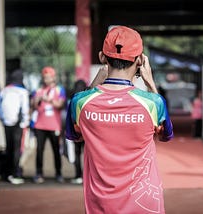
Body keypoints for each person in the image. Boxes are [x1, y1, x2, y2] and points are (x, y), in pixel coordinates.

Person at [66, 26, 174, 214]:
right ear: (140, 60)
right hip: (144, 205)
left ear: (102, 57)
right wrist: (151, 84)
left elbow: (75, 136)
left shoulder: (80, 101)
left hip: (100, 205)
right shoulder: (153, 102)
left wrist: (93, 86)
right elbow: (166, 135)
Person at [31, 66, 66, 184]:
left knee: (56, 150)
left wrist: (48, 99)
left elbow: (60, 105)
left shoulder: (59, 90)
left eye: (49, 77)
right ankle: (39, 173)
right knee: (39, 150)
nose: (46, 79)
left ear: (53, 78)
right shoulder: (38, 90)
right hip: (40, 125)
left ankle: (59, 173)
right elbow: (33, 106)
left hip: (54, 125)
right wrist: (37, 99)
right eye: (45, 77)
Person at [0, 69, 30, 184]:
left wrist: (3, 119)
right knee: (17, 149)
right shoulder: (23, 92)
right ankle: (15, 174)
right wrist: (25, 122)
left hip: (6, 124)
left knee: (9, 148)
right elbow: (25, 109)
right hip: (18, 124)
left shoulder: (3, 91)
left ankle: (7, 173)